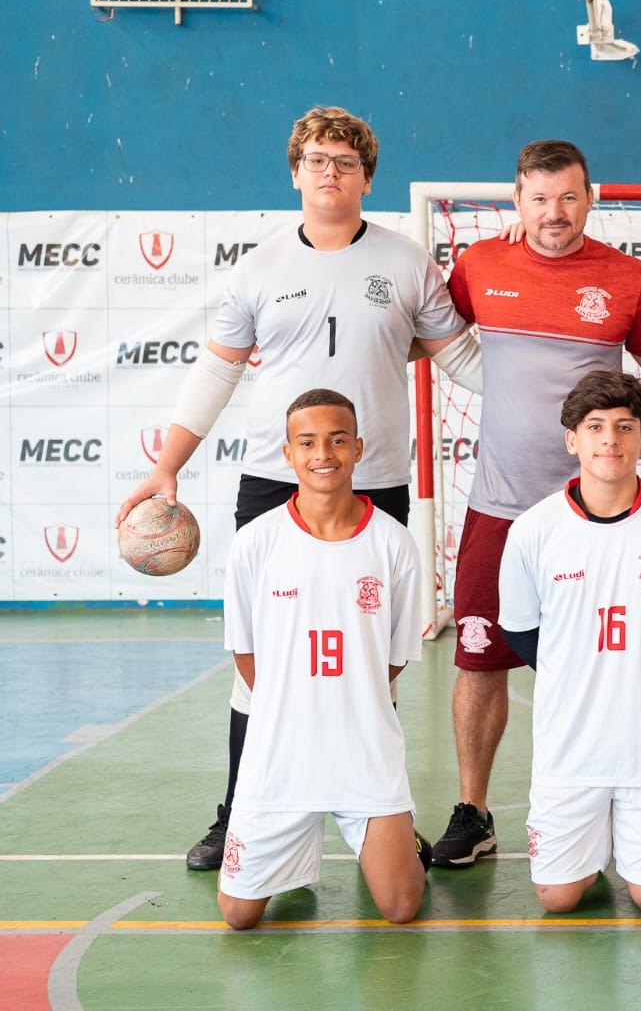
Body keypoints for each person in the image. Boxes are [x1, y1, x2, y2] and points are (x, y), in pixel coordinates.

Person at [115, 106, 483, 871]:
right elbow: (217, 371)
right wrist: (167, 463)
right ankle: (236, 814)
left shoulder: (408, 262)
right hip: (273, 487)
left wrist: (557, 423)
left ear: (367, 176)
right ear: (294, 172)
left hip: (374, 486)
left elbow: (464, 361)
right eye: (316, 160)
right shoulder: (258, 268)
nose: (330, 173)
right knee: (261, 663)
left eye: (345, 162)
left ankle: (382, 815)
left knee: (371, 664)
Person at [433, 140, 641, 869]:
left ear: (590, 198)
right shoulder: (480, 265)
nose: (553, 213)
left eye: (567, 197)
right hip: (497, 508)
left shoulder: (627, 279)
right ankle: (474, 810)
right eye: (538, 198)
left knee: (613, 662)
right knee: (479, 661)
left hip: (594, 516)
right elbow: (420, 334)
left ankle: (619, 799)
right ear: (516, 201)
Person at [497, 371, 641, 912]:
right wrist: (571, 670)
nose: (610, 440)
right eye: (595, 426)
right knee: (557, 898)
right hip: (569, 749)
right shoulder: (534, 529)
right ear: (571, 439)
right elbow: (520, 629)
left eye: (626, 428)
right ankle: (591, 846)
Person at [217, 389, 428, 929]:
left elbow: (393, 658)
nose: (323, 454)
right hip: (280, 752)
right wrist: (291, 710)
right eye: (307, 442)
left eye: (337, 440)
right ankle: (289, 851)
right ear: (287, 454)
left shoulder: (394, 544)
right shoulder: (256, 543)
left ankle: (388, 826)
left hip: (364, 748)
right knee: (239, 916)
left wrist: (347, 700)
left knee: (402, 909)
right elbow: (246, 652)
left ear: (358, 448)